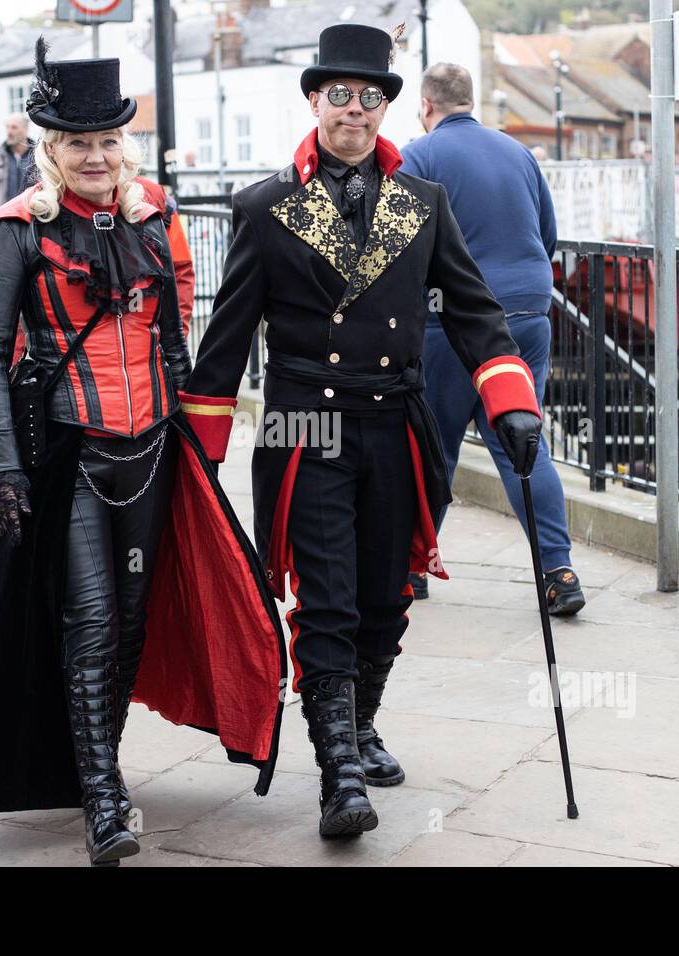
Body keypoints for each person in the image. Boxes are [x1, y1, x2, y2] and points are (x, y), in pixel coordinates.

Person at [182, 23, 542, 839]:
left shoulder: (424, 202)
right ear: (314, 101)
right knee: (330, 601)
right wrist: (197, 453)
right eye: (338, 95)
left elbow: (478, 313)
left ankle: (361, 719)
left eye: (370, 96)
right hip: (307, 425)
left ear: (388, 106)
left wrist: (512, 403)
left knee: (386, 594)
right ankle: (338, 770)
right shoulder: (266, 207)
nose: (354, 109)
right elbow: (228, 337)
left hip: (394, 423)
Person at [0, 46, 286, 867]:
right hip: (68, 456)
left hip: (150, 455)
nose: (94, 156)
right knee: (91, 617)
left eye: (106, 140)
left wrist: (192, 441)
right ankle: (105, 794)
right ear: (51, 150)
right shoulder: (17, 232)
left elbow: (176, 338)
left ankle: (96, 761)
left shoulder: (155, 217)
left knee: (133, 619)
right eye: (76, 142)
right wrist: (2, 467)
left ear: (123, 144)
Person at [402, 63, 585, 615]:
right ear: (471, 101)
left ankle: (411, 569)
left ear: (427, 106)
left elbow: (402, 243)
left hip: (454, 321)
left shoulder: (420, 155)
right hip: (529, 312)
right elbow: (546, 235)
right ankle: (559, 571)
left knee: (435, 448)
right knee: (523, 442)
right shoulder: (518, 153)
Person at [0, 112, 36, 219]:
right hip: (3, 222)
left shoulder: (39, 157)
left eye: (14, 127)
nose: (9, 132)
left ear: (26, 129)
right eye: (7, 127)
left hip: (33, 222)